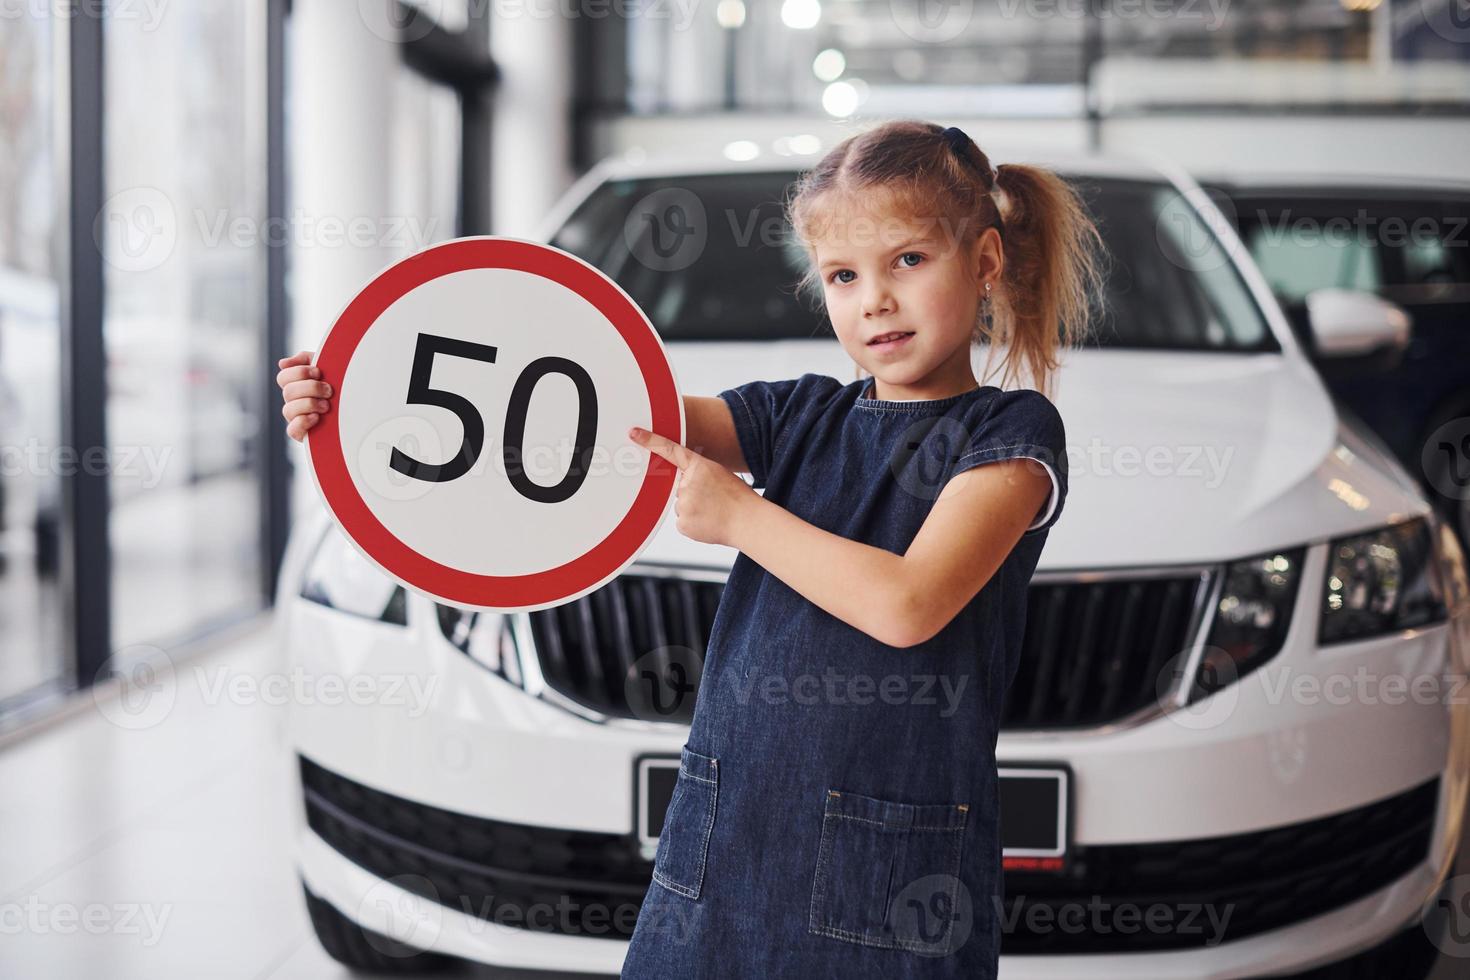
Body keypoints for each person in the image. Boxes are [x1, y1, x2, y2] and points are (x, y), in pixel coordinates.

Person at [276, 117, 1105, 979]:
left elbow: (908, 604)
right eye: (843, 275)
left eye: (909, 260)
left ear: (984, 263)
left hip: (889, 872)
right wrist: (358, 403)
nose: (875, 300)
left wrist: (741, 517)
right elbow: (600, 419)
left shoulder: (1010, 432)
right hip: (726, 841)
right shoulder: (801, 413)